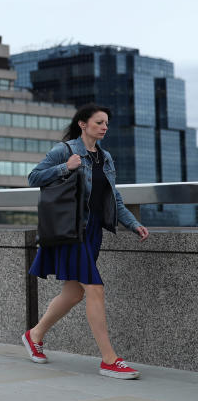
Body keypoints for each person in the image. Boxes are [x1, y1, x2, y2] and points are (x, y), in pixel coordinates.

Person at [22, 104, 149, 380]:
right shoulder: (65, 150)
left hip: (93, 232)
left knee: (75, 292)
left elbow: (113, 198)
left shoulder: (105, 158)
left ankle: (34, 335)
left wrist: (133, 223)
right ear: (83, 124)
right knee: (94, 288)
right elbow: (33, 177)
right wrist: (64, 167)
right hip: (71, 230)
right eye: (99, 122)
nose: (105, 127)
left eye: (107, 123)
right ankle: (109, 359)